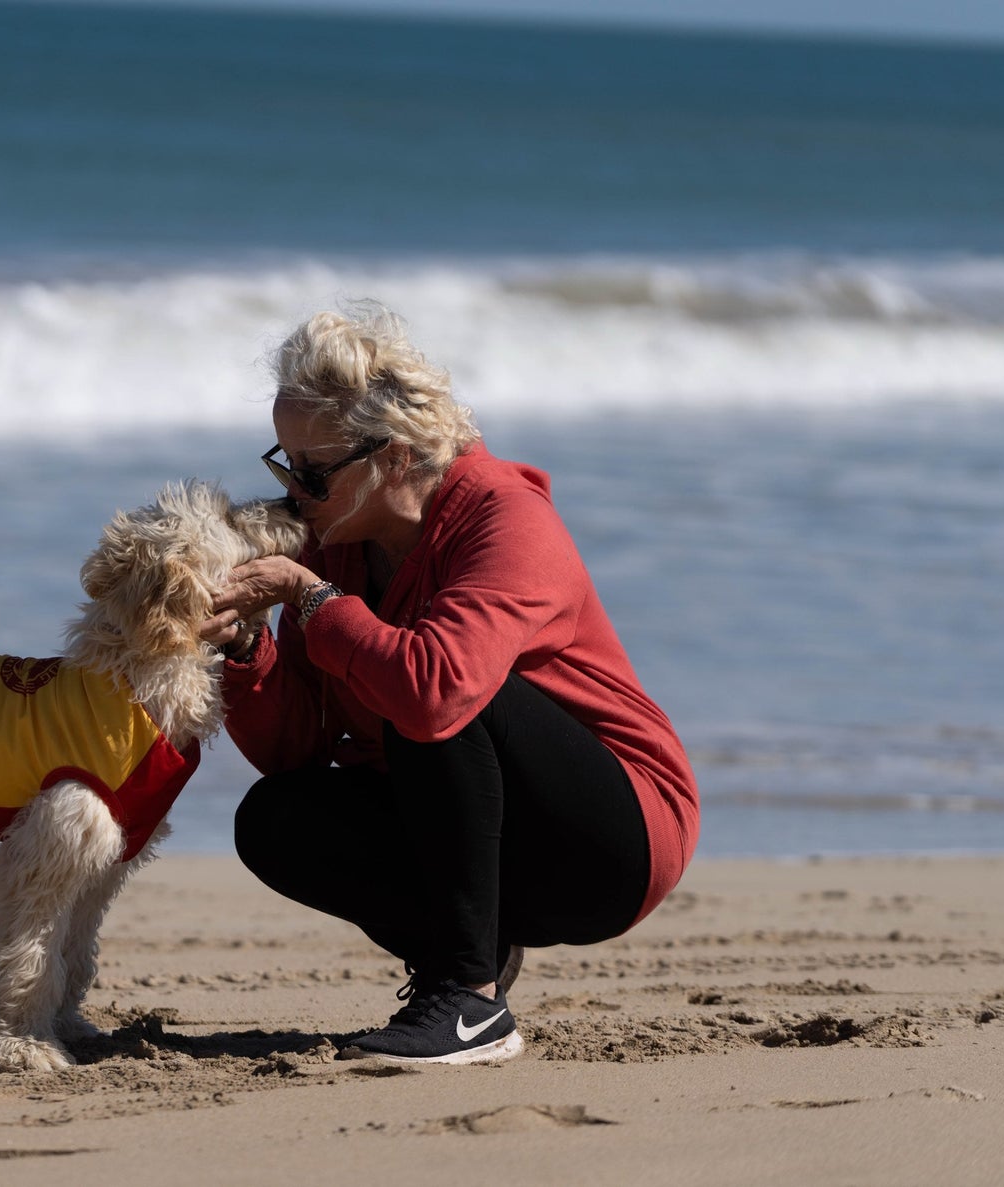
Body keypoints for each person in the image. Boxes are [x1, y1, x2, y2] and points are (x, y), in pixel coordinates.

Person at [199, 304, 698, 1066]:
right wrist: (246, 646)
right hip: (481, 833)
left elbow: (437, 692)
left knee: (432, 687)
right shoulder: (339, 548)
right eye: (282, 463)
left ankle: (468, 1002)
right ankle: (473, 956)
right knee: (276, 819)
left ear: (394, 457)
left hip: (617, 838)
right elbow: (294, 748)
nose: (292, 491)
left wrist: (310, 601)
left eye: (312, 470)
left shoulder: (504, 517)